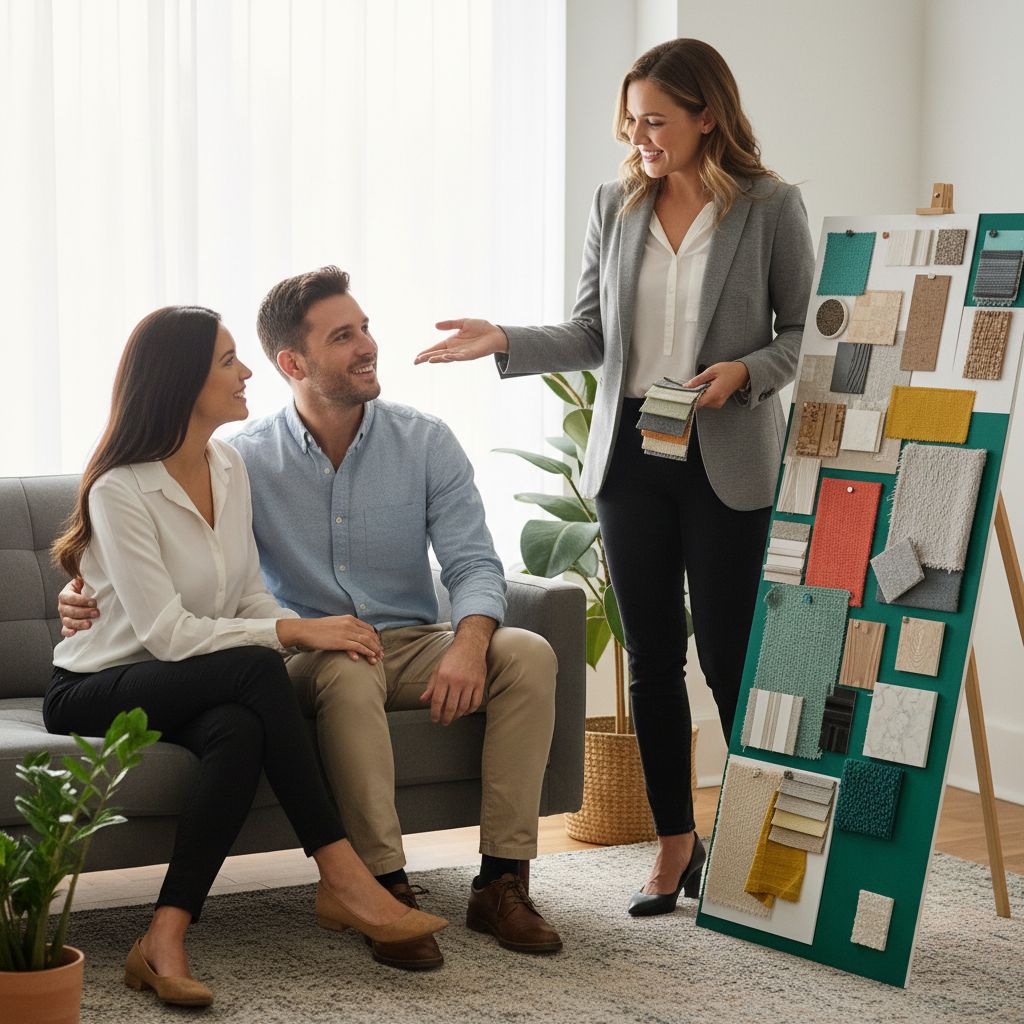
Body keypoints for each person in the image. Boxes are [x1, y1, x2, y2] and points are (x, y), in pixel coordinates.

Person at [59, 269, 563, 971]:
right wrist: (84, 589)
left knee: (529, 652)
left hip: (413, 638)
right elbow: (155, 563)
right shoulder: (243, 457)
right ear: (293, 364)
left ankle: (501, 882)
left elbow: (473, 562)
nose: (368, 346)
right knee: (347, 675)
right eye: (343, 336)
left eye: (364, 328)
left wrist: (471, 640)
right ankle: (380, 884)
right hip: (311, 653)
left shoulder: (422, 442)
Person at [415, 38, 814, 917]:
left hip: (727, 451)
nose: (639, 138)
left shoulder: (770, 205)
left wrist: (744, 374)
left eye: (656, 121)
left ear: (708, 115)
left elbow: (803, 335)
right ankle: (676, 843)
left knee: (730, 655)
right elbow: (594, 334)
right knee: (653, 664)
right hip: (632, 454)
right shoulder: (617, 205)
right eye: (631, 122)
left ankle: (753, 842)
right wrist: (507, 340)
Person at [47, 306, 446, 1008]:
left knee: (240, 729)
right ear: (181, 382)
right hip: (97, 683)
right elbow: (169, 635)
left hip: (181, 681)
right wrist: (296, 636)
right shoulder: (120, 488)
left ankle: (163, 937)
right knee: (260, 668)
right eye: (228, 361)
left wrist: (313, 626)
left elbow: (245, 598)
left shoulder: (226, 465)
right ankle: (344, 875)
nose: (246, 372)